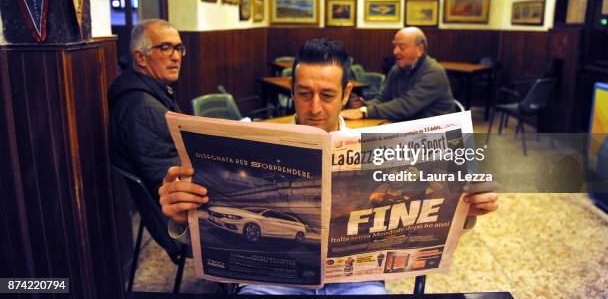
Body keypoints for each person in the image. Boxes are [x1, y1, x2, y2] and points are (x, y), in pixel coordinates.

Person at [159, 38, 499, 295]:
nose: (315, 108)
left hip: (357, 282)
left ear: (347, 92)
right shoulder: (257, 142)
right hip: (272, 282)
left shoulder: (380, 147)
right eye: (304, 94)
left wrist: (469, 208)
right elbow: (212, 227)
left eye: (327, 95)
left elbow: (429, 221)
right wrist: (179, 217)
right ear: (291, 90)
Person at [108, 19, 186, 199]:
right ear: (141, 57)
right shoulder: (144, 108)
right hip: (173, 211)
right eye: (166, 48)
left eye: (179, 48)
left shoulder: (148, 89)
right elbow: (169, 179)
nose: (176, 57)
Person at [342, 27, 454, 122]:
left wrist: (364, 112)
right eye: (395, 46)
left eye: (402, 47)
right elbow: (384, 99)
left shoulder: (434, 72)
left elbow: (406, 105)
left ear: (420, 49)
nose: (395, 52)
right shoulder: (397, 69)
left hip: (441, 137)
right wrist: (364, 105)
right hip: (412, 132)